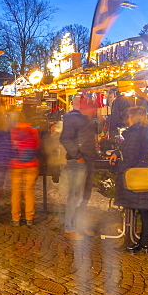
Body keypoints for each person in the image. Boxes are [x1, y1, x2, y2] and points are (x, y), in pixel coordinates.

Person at [109, 107, 148, 253]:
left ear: (134, 118)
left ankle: (136, 241)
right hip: (145, 173)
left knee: (137, 210)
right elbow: (130, 150)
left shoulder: (134, 133)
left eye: (128, 117)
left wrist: (120, 168)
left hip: (134, 175)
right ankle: (144, 243)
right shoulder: (146, 131)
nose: (126, 119)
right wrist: (118, 152)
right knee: (145, 211)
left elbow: (131, 156)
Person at [60, 97, 98, 239]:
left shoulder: (86, 120)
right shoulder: (73, 118)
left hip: (87, 160)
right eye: (93, 109)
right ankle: (70, 228)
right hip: (78, 162)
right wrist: (77, 156)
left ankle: (79, 226)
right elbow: (65, 139)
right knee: (75, 196)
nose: (95, 112)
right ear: (87, 108)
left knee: (85, 196)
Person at [9, 111, 41, 227]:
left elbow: (10, 147)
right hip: (31, 165)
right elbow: (37, 146)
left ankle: (15, 218)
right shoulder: (33, 131)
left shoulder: (13, 131)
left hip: (16, 165)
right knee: (29, 191)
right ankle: (29, 218)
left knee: (16, 192)